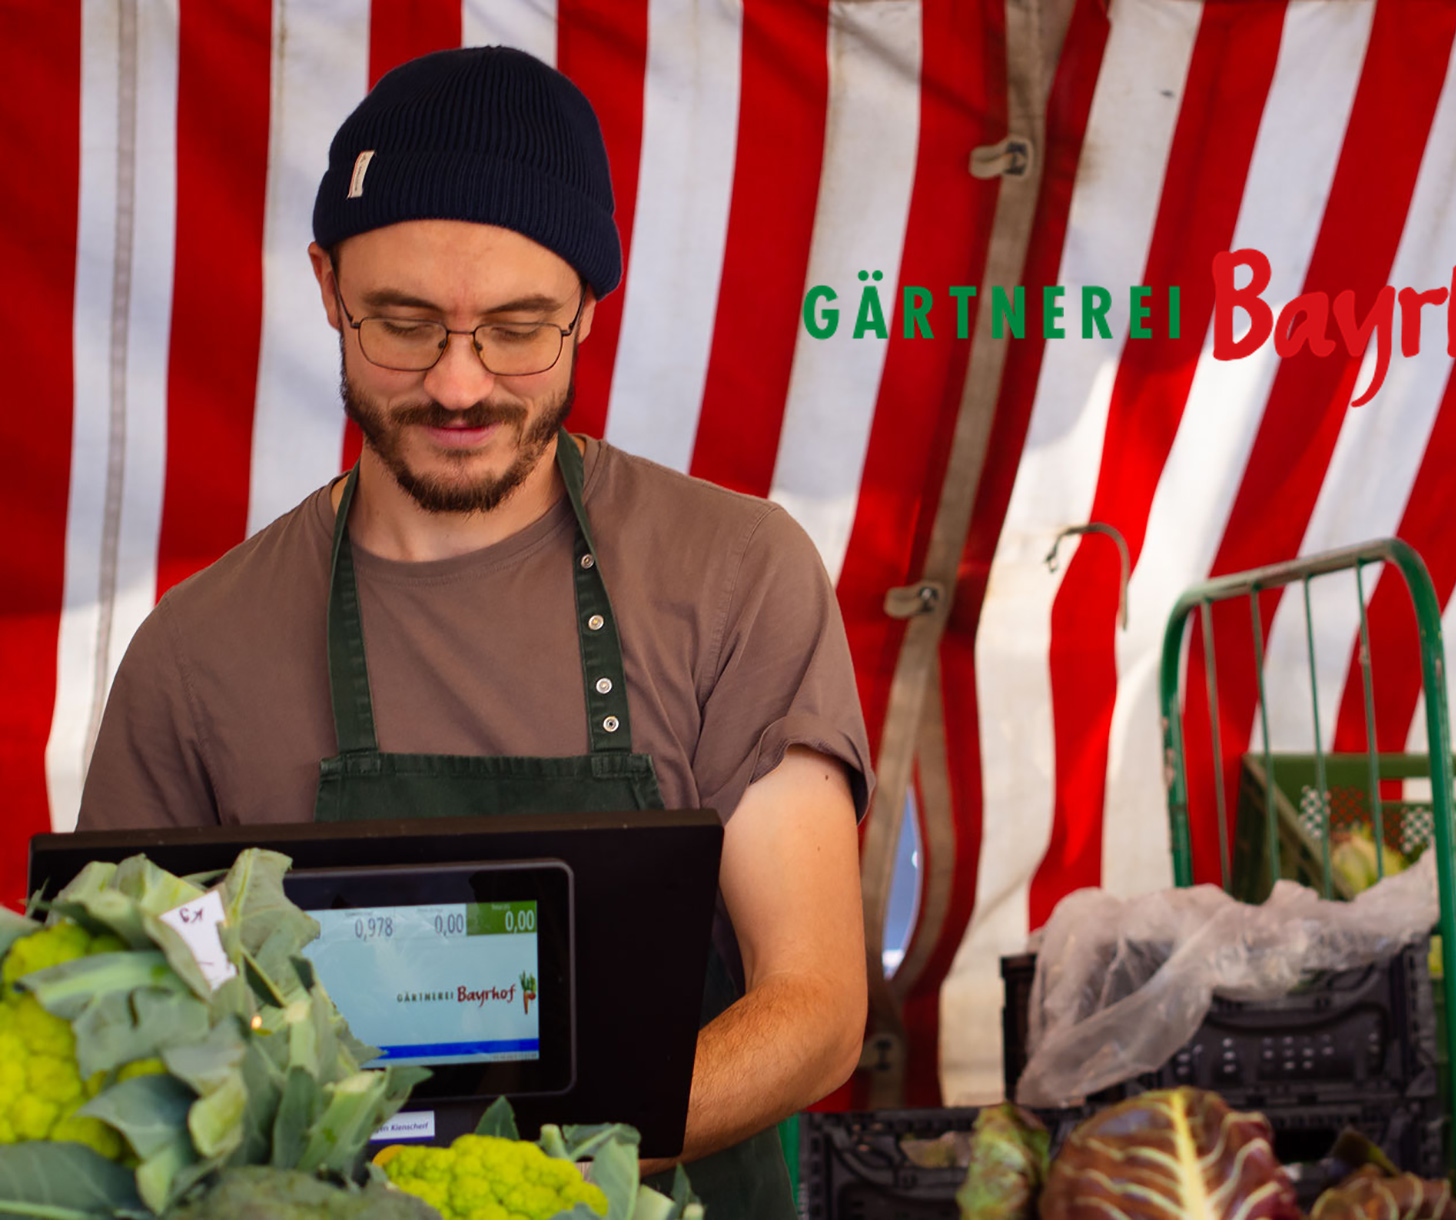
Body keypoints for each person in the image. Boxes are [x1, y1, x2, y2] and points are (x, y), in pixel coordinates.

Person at [76, 45, 871, 1216]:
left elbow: (812, 1005)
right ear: (325, 283)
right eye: (400, 324)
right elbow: (122, 1043)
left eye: (516, 328)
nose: (458, 386)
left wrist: (522, 1182)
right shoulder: (197, 655)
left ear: (588, 309)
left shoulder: (731, 574)